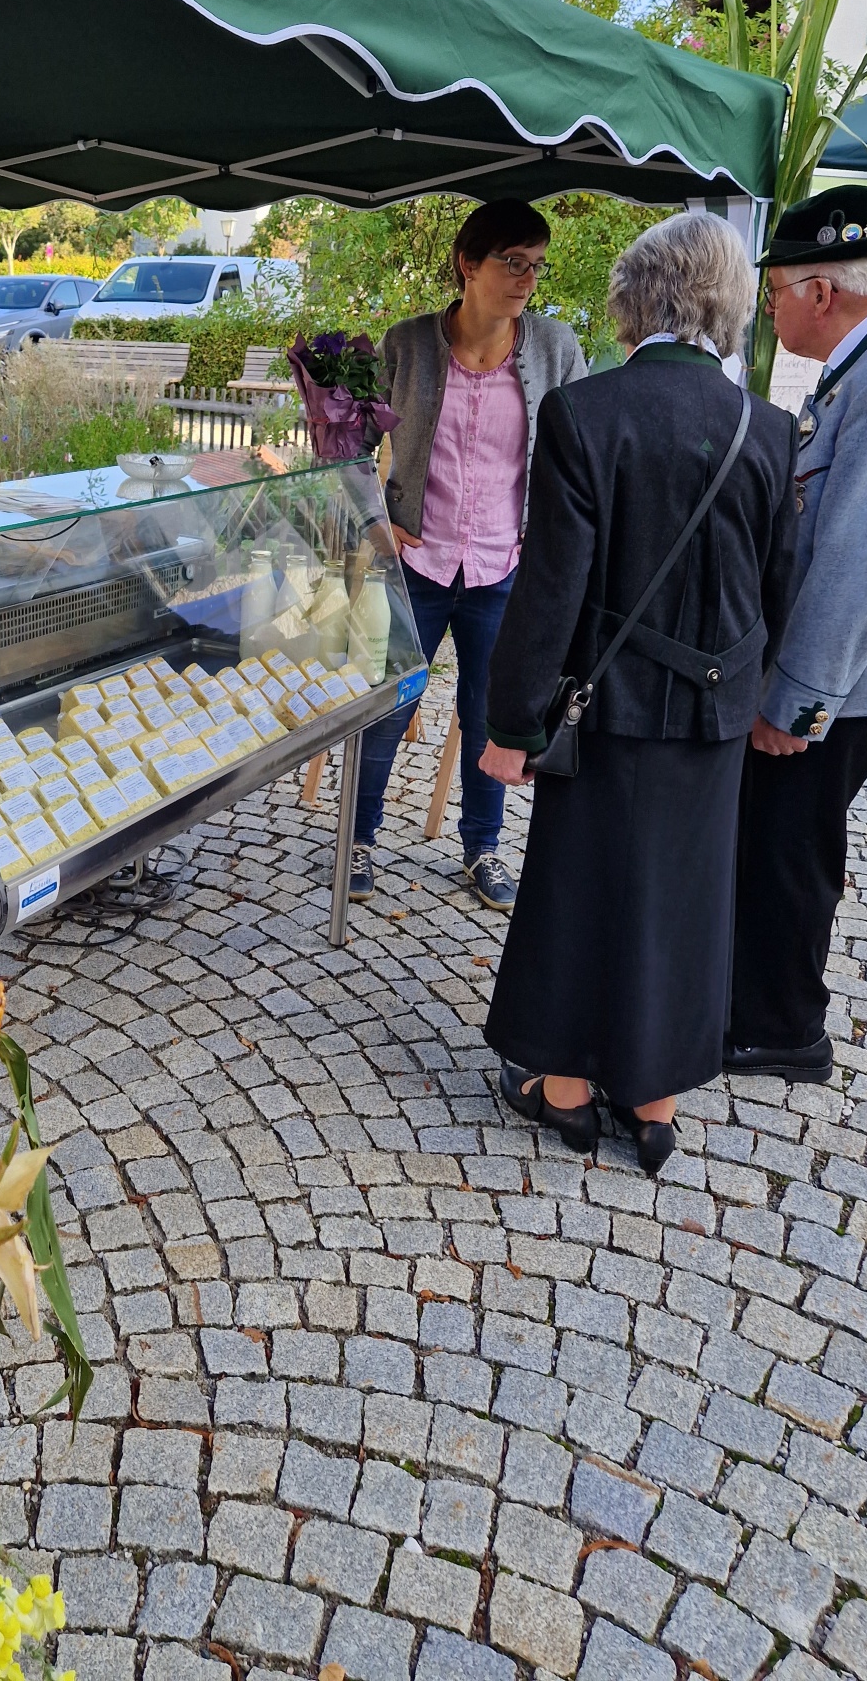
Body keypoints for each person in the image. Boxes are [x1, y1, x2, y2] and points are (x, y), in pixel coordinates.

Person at [478, 213, 799, 1174]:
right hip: (713, 718)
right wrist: (756, 695)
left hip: (604, 711)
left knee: (580, 888)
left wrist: (512, 723)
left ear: (634, 298)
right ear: (728, 306)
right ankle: (654, 1107)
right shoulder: (768, 428)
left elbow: (551, 589)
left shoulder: (585, 413)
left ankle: (567, 1093)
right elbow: (779, 587)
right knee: (687, 903)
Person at [727, 185, 867, 1082]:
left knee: (790, 842)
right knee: (782, 834)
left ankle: (782, 1029)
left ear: (822, 291)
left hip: (845, 673)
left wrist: (797, 702)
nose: (770, 309)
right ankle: (757, 1004)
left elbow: (862, 563)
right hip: (851, 664)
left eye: (776, 290)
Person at [353, 199, 587, 910]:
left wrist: (552, 537)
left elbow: (580, 456)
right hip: (416, 564)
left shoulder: (556, 348)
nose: (527, 279)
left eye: (536, 265)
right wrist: (373, 520)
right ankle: (357, 839)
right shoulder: (406, 344)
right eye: (512, 262)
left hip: (503, 569)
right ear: (467, 263)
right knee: (387, 705)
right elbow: (346, 444)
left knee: (493, 715)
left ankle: (483, 847)